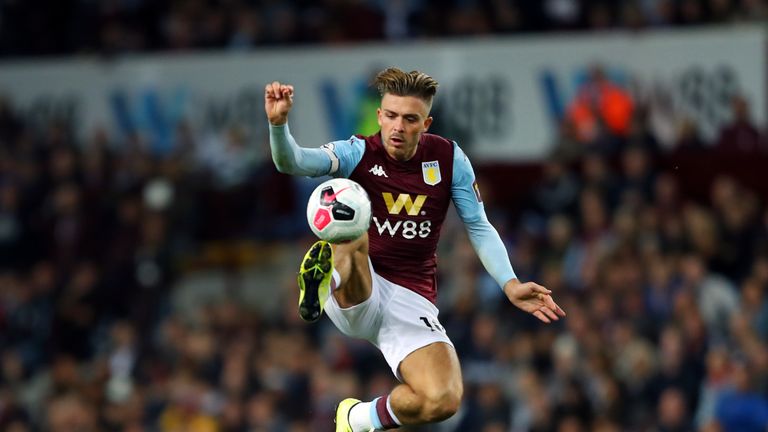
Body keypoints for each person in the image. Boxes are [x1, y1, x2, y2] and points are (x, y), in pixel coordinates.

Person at [264, 67, 565, 431]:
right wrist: (278, 127)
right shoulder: (357, 151)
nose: (397, 127)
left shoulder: (449, 159)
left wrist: (510, 283)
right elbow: (291, 161)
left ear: (426, 123)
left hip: (411, 298)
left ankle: (358, 418)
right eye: (390, 116)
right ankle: (326, 279)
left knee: (443, 399)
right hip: (359, 286)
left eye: (410, 119)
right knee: (351, 211)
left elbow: (478, 225)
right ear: (379, 115)